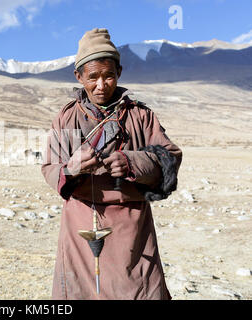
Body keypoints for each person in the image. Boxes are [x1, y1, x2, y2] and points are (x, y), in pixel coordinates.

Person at [41, 28, 183, 300]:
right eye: (92, 77)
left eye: (108, 75)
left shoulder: (140, 116)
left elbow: (170, 158)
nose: (101, 85)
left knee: (138, 289)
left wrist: (132, 162)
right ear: (79, 76)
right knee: (80, 291)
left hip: (131, 225)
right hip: (80, 223)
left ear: (119, 71)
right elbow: (50, 166)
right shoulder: (67, 118)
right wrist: (72, 168)